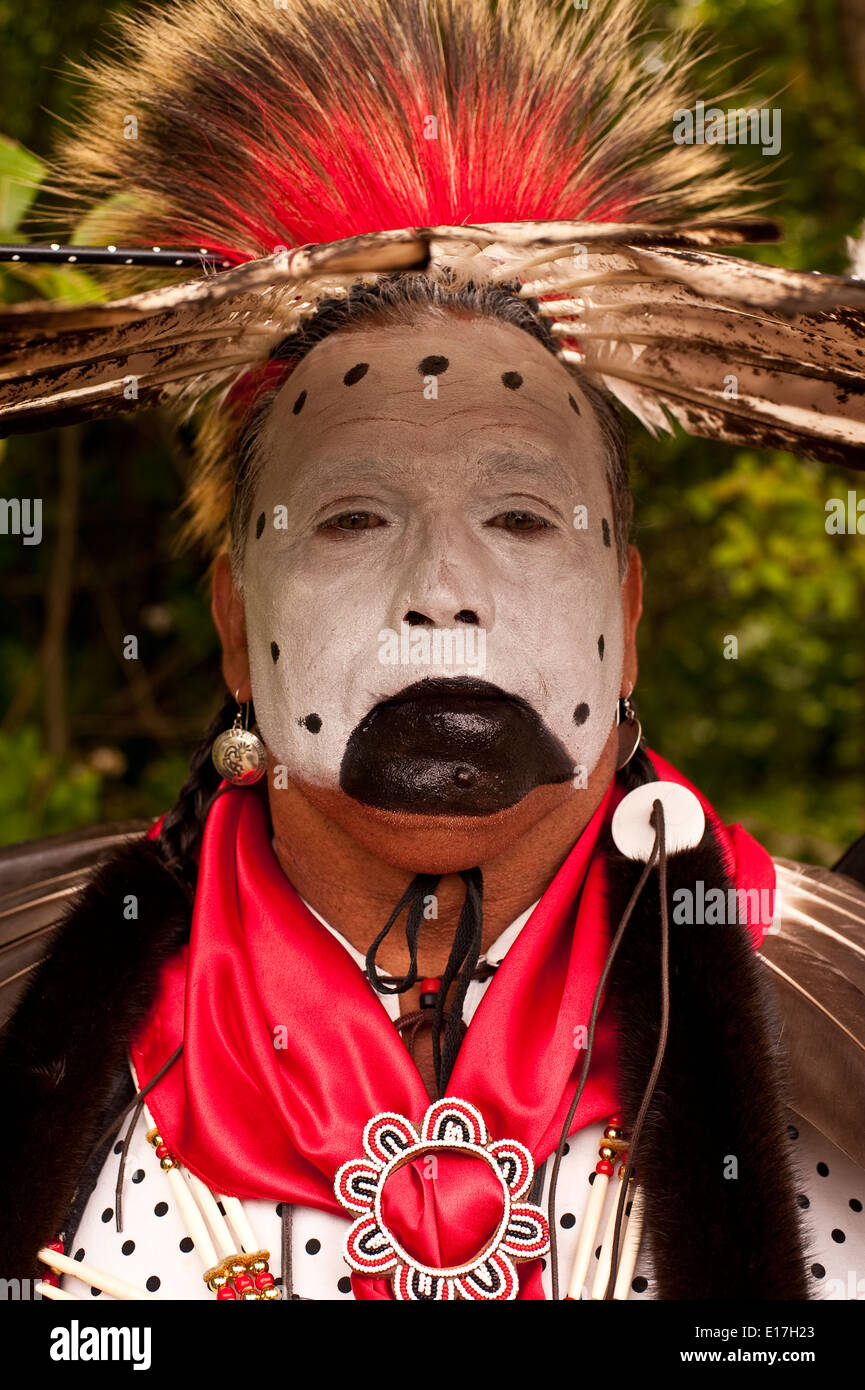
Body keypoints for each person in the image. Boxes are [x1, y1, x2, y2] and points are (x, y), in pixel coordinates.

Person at [1, 0, 864, 1304]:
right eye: (353, 517)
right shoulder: (28, 999)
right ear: (238, 621)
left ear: (625, 614)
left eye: (519, 515)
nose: (441, 592)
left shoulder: (833, 1011)